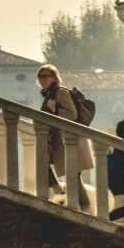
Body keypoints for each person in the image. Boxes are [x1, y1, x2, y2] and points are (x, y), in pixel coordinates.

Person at [36, 64, 96, 202]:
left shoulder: (60, 92)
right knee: (73, 178)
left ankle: (85, 210)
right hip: (61, 141)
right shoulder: (50, 94)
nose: (42, 80)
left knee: (74, 178)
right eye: (40, 77)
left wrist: (54, 112)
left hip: (70, 140)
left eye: (45, 76)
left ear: (54, 78)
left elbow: (72, 114)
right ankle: (59, 189)